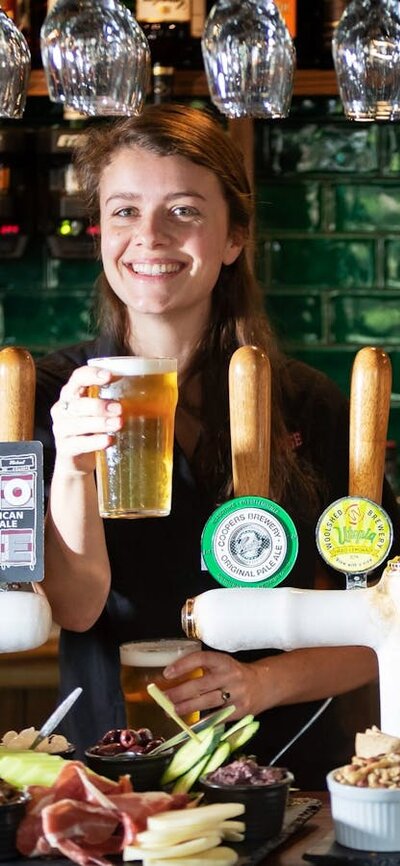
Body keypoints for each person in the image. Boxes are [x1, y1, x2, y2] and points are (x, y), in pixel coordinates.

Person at [35, 103, 400, 789]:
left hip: (290, 774)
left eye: (183, 210)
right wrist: (72, 472)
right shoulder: (52, 398)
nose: (148, 235)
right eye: (123, 210)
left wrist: (261, 683)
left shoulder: (309, 404)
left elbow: (386, 612)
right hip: (117, 779)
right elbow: (78, 607)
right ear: (98, 231)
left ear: (234, 236)